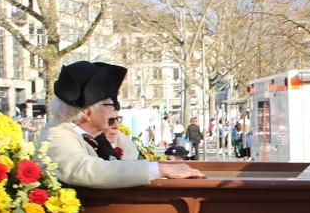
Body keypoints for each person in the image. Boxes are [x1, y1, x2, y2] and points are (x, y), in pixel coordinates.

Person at [39, 61, 202, 187]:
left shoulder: (88, 135)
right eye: (110, 105)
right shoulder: (57, 137)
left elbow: (122, 158)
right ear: (87, 112)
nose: (115, 112)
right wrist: (160, 169)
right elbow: (89, 170)